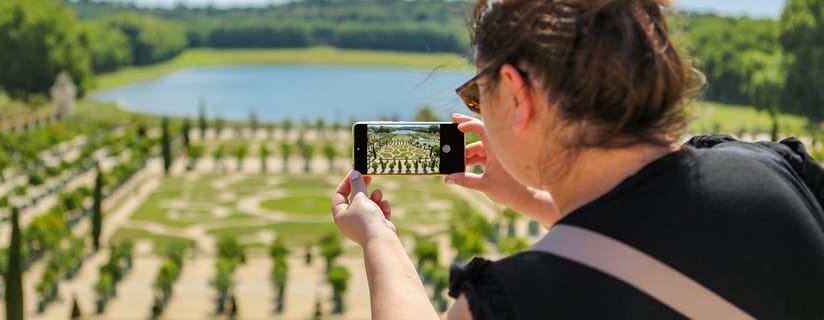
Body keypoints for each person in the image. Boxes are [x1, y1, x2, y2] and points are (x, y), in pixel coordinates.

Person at [330, 0, 824, 318]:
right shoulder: (774, 171)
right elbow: (661, 234)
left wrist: (378, 237)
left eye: (478, 94)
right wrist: (539, 201)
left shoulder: (521, 301)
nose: (475, 108)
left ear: (517, 95)